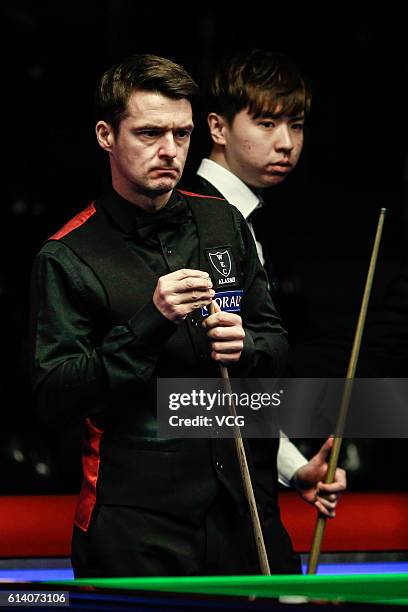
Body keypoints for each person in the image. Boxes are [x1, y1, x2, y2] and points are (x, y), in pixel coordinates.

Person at [30, 53, 303, 577]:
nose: (170, 151)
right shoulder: (68, 255)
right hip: (136, 528)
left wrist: (246, 345)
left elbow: (274, 340)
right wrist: (149, 323)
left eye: (181, 134)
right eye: (151, 134)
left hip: (242, 514)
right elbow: (53, 398)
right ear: (107, 135)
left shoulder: (222, 222)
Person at [187, 49, 346, 511]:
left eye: (295, 126)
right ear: (217, 128)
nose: (287, 143)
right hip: (203, 497)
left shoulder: (243, 221)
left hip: (236, 478)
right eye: (266, 123)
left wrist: (294, 468)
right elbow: (205, 389)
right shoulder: (193, 219)